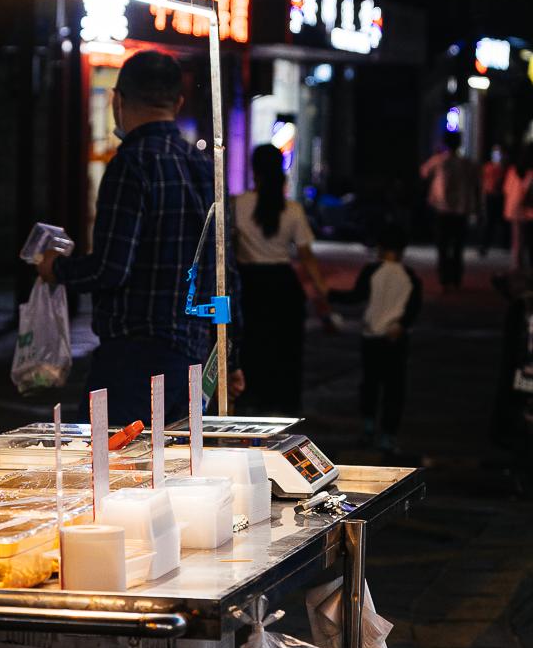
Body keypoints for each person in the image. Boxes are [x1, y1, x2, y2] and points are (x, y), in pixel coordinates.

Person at [38, 50, 242, 424]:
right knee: (179, 471)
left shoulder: (132, 164)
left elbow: (111, 268)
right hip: (195, 359)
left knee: (115, 472)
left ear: (118, 100)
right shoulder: (204, 167)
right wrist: (229, 356)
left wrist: (57, 268)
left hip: (135, 360)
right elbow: (225, 273)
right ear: (178, 103)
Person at [233, 143, 330, 415]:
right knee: (284, 350)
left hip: (249, 284)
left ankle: (250, 398)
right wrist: (322, 293)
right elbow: (306, 256)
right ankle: (282, 404)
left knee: (250, 345)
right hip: (283, 286)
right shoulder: (293, 209)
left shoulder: (237, 205)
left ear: (254, 170)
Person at [330, 224, 422, 455]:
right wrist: (401, 326)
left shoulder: (371, 271)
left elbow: (355, 296)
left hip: (371, 337)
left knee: (370, 384)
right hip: (396, 339)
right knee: (395, 388)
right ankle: (388, 436)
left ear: (380, 247)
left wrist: (328, 294)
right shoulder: (411, 277)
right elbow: (413, 309)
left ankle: (368, 426)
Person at [419, 131, 479, 290]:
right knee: (458, 245)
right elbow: (476, 182)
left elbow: (423, 172)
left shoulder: (439, 161)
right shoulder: (466, 163)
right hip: (461, 209)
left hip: (442, 208)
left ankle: (444, 278)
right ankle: (456, 278)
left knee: (443, 245)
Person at [502, 146, 533, 272]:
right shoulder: (531, 173)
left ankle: (517, 266)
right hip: (528, 209)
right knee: (529, 240)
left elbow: (506, 189)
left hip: (513, 208)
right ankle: (527, 268)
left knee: (517, 239)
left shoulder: (512, 170)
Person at [480, 145, 505, 255]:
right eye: (495, 153)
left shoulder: (503, 168)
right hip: (490, 196)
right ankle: (485, 245)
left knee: (502, 221)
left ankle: (505, 244)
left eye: (498, 153)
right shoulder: (488, 167)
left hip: (500, 196)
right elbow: (483, 182)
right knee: (489, 222)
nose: (497, 156)